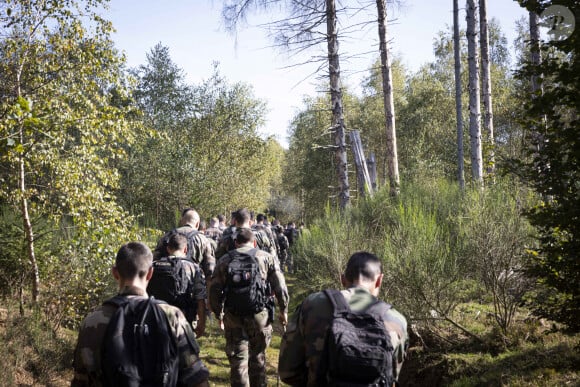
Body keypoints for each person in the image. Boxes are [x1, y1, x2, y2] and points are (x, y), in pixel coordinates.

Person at [71, 242, 210, 387]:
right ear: (150, 273)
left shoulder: (93, 320)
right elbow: (195, 375)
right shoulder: (172, 315)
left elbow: (81, 378)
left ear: (115, 273)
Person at [278, 251, 408, 386]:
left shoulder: (313, 304)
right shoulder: (397, 321)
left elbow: (288, 372)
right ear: (379, 280)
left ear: (343, 279)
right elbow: (391, 377)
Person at [209, 228, 289, 387]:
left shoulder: (225, 259)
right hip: (259, 314)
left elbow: (214, 289)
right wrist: (283, 310)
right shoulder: (266, 258)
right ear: (254, 242)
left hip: (233, 316)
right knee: (258, 357)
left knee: (238, 360)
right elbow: (280, 286)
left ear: (236, 243)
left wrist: (219, 313)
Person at [148, 233, 207, 337]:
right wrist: (202, 323)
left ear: (168, 248)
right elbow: (200, 298)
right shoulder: (193, 267)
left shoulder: (153, 266)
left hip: (156, 317)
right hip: (183, 319)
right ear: (185, 249)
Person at [154, 208, 216, 279]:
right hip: (192, 282)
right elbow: (210, 268)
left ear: (181, 221)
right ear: (197, 224)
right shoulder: (203, 240)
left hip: (166, 282)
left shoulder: (167, 236)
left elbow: (155, 259)